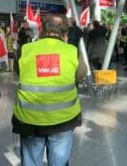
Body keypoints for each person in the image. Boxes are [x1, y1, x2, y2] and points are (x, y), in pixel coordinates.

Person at [12, 15, 87, 166]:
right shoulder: (72, 51)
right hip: (63, 120)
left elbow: (19, 72)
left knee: (30, 162)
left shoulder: (24, 50)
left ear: (41, 30)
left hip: (29, 119)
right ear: (65, 34)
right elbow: (80, 76)